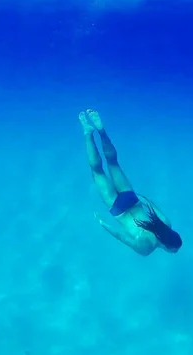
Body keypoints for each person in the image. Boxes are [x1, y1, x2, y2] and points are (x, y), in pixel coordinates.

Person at [78, 109, 182, 256]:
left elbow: (149, 203)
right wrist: (102, 223)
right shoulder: (146, 248)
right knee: (97, 171)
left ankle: (101, 130)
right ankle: (87, 133)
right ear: (165, 247)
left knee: (113, 162)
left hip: (131, 199)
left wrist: (137, 196)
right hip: (118, 209)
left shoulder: (166, 224)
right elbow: (121, 237)